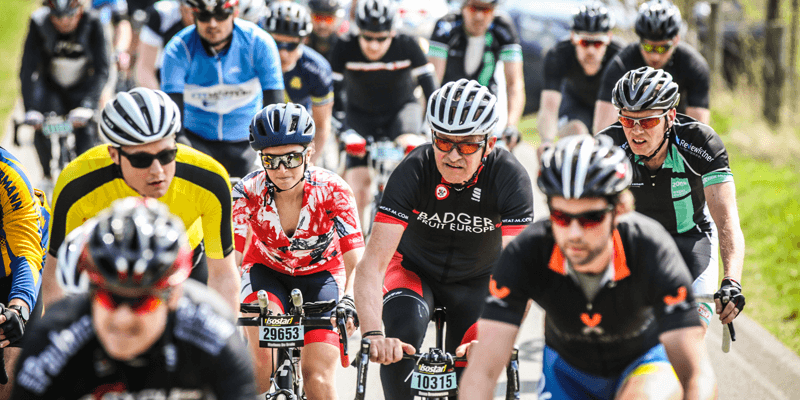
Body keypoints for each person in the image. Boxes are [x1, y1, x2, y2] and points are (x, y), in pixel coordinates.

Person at [459, 134, 718, 400]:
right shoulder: (527, 252)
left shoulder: (650, 248)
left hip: (643, 363)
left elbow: (696, 374)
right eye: (560, 216)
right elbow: (482, 372)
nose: (574, 234)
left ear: (620, 210)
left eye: (591, 218)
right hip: (567, 373)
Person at [353, 79, 534, 400]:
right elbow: (372, 265)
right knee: (401, 342)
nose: (452, 155)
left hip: (479, 281)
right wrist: (374, 335)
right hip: (413, 273)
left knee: (472, 376)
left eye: (466, 145)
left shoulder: (509, 177)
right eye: (443, 141)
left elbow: (519, 275)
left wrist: (494, 339)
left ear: (489, 143)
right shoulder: (414, 169)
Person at [12, 198, 258, 400]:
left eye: (141, 302)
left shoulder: (214, 333)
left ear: (173, 297)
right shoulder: (54, 340)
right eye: (110, 298)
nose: (121, 318)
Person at [42, 87, 241, 314]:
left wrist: (226, 337)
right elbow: (55, 278)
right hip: (109, 272)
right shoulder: (76, 183)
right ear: (114, 155)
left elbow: (223, 275)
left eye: (167, 155)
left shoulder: (209, 179)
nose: (158, 171)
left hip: (181, 265)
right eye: (141, 160)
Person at [599, 66, 746, 330]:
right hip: (634, 243)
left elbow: (727, 220)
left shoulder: (701, 144)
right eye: (627, 120)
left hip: (692, 240)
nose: (636, 131)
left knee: (690, 331)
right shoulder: (606, 149)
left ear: (670, 117)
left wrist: (731, 281)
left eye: (648, 121)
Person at [233, 103, 363, 398]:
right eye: (270, 160)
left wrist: (351, 301)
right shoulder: (246, 191)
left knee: (317, 378)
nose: (281, 170)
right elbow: (234, 257)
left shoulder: (334, 190)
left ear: (310, 152)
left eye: (291, 158)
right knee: (261, 371)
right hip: (266, 272)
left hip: (322, 277)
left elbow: (357, 262)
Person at [331, 0, 438, 221]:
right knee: (358, 189)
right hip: (359, 115)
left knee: (410, 146)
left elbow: (432, 91)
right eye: (367, 37)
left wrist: (428, 129)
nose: (374, 45)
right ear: (357, 31)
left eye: (381, 39)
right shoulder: (344, 46)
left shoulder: (406, 44)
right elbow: (332, 99)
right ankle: (359, 246)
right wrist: (344, 132)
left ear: (393, 33)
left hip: (400, 112)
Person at [161, 0, 284, 178]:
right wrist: (181, 146)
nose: (212, 23)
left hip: (247, 141)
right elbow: (173, 114)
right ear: (194, 16)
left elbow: (275, 105)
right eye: (204, 16)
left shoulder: (259, 42)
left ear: (234, 13)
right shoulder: (178, 47)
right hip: (196, 139)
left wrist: (269, 145)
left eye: (220, 15)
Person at [19, 0, 110, 193]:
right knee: (41, 126)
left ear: (80, 11)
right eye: (57, 17)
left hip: (83, 87)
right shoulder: (38, 23)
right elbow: (28, 68)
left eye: (70, 16)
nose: (64, 22)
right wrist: (31, 108)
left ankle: (83, 183)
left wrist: (89, 104)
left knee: (86, 135)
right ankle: (47, 175)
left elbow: (103, 70)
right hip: (52, 87)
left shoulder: (94, 23)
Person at [593, 0, 710, 133]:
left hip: (675, 130)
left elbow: (698, 131)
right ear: (639, 41)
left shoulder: (694, 66)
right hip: (633, 132)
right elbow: (603, 129)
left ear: (676, 39)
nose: (655, 56)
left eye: (662, 48)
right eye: (648, 47)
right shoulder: (621, 64)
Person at [427, 0, 525, 148]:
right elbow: (433, 81)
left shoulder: (503, 27)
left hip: (484, 103)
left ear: (494, 10)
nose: (479, 16)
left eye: (485, 10)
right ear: (463, 7)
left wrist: (511, 125)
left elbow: (515, 84)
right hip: (448, 103)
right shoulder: (446, 25)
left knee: (497, 153)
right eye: (474, 8)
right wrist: (427, 123)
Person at [0, 148, 50, 400]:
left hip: (12, 265)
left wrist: (18, 310)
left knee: (13, 372)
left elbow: (26, 254)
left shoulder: (6, 173)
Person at [538, 2, 623, 149]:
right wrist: (546, 142)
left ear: (609, 38)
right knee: (576, 133)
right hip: (575, 102)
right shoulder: (558, 54)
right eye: (584, 42)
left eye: (597, 43)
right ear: (573, 37)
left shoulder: (621, 56)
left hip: (611, 105)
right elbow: (549, 107)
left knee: (608, 142)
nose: (590, 51)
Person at [263, 1, 334, 166]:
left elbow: (322, 126)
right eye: (276, 44)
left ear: (305, 40)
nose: (283, 53)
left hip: (300, 132)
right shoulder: (251, 61)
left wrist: (309, 164)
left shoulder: (317, 69)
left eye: (291, 45)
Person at [134, 0, 194, 89]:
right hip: (165, 80)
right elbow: (144, 68)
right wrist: (160, 100)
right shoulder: (162, 14)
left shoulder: (218, 18)